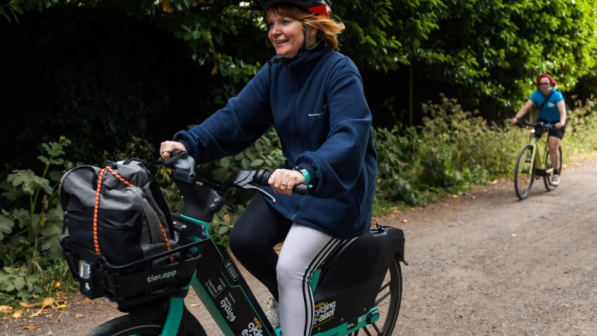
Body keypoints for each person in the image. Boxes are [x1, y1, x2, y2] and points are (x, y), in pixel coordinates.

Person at [159, 1, 377, 335]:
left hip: (337, 189)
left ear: (312, 27)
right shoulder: (277, 71)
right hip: (293, 185)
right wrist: (190, 143)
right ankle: (292, 303)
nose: (274, 31)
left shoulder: (340, 71)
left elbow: (349, 136)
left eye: (285, 22)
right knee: (245, 240)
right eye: (271, 22)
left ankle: (294, 304)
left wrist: (307, 172)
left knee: (291, 268)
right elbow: (236, 118)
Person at [511, 73, 566, 185]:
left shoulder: (557, 95)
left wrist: (562, 122)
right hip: (544, 120)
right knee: (534, 133)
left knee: (552, 146)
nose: (543, 86)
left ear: (551, 84)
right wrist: (516, 118)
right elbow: (526, 108)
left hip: (557, 122)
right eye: (541, 84)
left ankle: (555, 173)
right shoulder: (537, 94)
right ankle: (531, 154)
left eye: (546, 83)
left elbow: (562, 112)